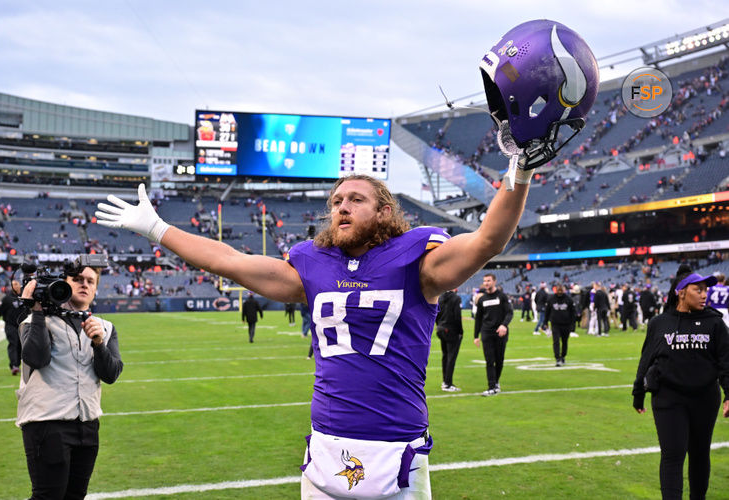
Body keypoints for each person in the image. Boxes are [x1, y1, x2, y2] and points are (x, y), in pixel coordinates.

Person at [95, 19, 599, 498]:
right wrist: (158, 228)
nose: (341, 206)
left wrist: (520, 168)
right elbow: (228, 261)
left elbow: (487, 240)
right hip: (326, 441)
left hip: (395, 446)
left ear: (385, 210)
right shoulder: (312, 264)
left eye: (355, 199)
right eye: (336, 200)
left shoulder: (416, 258)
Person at [17, 264, 123, 500]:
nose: (84, 284)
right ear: (64, 284)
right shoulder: (35, 321)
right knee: (48, 495)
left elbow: (111, 374)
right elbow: (37, 358)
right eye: (76, 279)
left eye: (90, 280)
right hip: (47, 420)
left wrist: (99, 344)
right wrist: (36, 311)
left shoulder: (105, 327)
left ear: (96, 288)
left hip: (87, 423)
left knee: (76, 495)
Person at [632, 265, 729, 500]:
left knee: (699, 453)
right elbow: (646, 358)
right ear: (681, 292)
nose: (705, 294)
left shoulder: (715, 323)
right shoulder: (660, 323)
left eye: (706, 290)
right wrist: (638, 392)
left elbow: (726, 361)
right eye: (698, 290)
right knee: (672, 455)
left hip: (704, 398)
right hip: (668, 398)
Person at [474, 274, 513, 396]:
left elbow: (509, 313)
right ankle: (491, 387)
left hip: (500, 333)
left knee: (499, 360)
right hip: (486, 333)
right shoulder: (482, 299)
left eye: (489, 281)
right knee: (489, 360)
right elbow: (478, 318)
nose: (486, 283)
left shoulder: (502, 297)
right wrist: (476, 336)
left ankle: (496, 382)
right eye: (485, 281)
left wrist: (504, 325)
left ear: (494, 282)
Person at [0, 280, 26, 375]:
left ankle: (17, 364)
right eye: (12, 285)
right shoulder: (7, 299)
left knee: (20, 346)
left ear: (20, 285)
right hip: (10, 325)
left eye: (16, 284)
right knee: (13, 343)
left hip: (22, 326)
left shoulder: (25, 297)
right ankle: (14, 365)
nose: (14, 286)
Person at [435, 288, 463, 392]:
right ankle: (448, 383)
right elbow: (457, 316)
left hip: (441, 329)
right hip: (451, 330)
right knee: (451, 358)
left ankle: (445, 381)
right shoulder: (456, 298)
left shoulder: (440, 297)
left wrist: (439, 326)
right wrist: (460, 331)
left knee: (445, 356)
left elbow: (436, 314)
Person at [544, 282, 576, 366]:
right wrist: (545, 322)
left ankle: (563, 356)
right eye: (558, 290)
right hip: (555, 324)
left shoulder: (569, 299)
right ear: (556, 290)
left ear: (564, 290)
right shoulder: (551, 299)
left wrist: (573, 324)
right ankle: (557, 358)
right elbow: (547, 311)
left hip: (566, 324)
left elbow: (573, 312)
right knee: (556, 341)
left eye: (561, 290)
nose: (560, 291)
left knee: (565, 341)